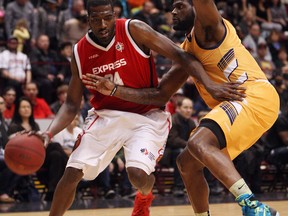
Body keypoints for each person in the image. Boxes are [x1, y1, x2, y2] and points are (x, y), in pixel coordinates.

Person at [38, 0, 244, 216]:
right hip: (106, 116)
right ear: (87, 19)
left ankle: (144, 195)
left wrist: (210, 85)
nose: (103, 24)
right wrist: (48, 132)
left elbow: (182, 55)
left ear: (114, 14)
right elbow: (71, 104)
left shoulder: (133, 29)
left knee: (137, 175)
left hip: (146, 115)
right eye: (96, 19)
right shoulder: (80, 52)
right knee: (71, 173)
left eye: (107, 17)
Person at [88, 0, 280, 215]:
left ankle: (253, 206)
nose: (173, 11)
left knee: (199, 142)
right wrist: (115, 90)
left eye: (180, 5)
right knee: (187, 163)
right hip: (242, 107)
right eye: (172, 7)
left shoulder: (210, 27)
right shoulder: (186, 52)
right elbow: (160, 95)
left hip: (254, 95)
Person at [166, 97, 196, 197]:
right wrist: (189, 145)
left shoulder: (191, 123)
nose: (189, 110)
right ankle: (178, 187)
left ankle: (209, 185)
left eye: (190, 108)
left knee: (202, 154)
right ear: (178, 108)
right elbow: (173, 140)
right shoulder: (173, 120)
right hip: (169, 152)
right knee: (179, 153)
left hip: (185, 149)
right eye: (186, 107)